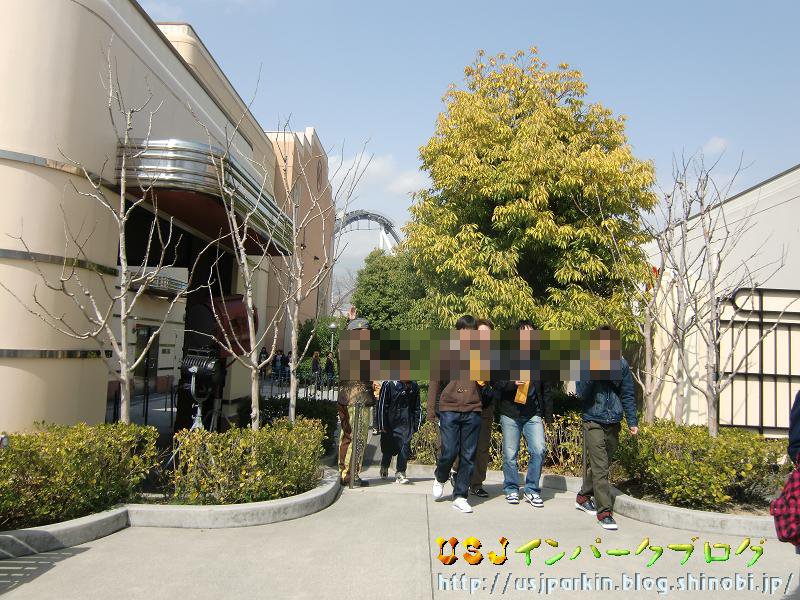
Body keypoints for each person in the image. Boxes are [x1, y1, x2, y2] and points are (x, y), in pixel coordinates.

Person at [575, 325, 638, 531]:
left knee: (603, 465)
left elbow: (627, 393)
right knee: (601, 467)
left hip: (614, 421)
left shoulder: (621, 364)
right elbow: (580, 392)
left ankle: (583, 496)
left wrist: (632, 420)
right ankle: (604, 512)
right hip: (593, 419)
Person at [429, 315, 483, 513]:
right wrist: (430, 411)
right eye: (464, 331)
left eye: (471, 331)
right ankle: (440, 476)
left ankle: (460, 496)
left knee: (468, 455)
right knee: (449, 451)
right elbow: (435, 382)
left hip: (473, 408)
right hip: (449, 408)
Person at [496, 319, 553, 508]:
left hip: (532, 413)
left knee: (539, 449)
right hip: (510, 413)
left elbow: (547, 390)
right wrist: (512, 383)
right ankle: (511, 488)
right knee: (510, 454)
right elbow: (497, 383)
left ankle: (531, 489)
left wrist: (548, 416)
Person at [451, 318, 495, 498]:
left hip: (486, 407)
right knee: (464, 446)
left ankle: (476, 483)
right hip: (467, 406)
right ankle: (456, 471)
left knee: (482, 448)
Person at [337, 307, 375, 487]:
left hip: (345, 398)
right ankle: (351, 475)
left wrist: (350, 323)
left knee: (347, 436)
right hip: (358, 400)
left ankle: (344, 472)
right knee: (357, 437)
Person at [377, 380, 421, 484]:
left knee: (404, 447)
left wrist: (416, 426)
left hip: (406, 422)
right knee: (388, 448)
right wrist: (381, 424)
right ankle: (384, 465)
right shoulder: (388, 384)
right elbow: (382, 405)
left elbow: (417, 407)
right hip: (390, 423)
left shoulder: (414, 386)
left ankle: (401, 472)